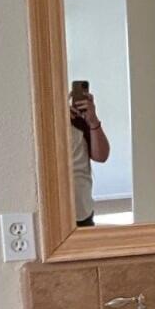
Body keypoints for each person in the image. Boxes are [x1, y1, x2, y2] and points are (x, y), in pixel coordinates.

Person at [67, 82, 110, 226]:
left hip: (83, 211)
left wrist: (93, 121)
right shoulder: (45, 122)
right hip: (55, 212)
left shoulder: (79, 120)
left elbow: (101, 156)